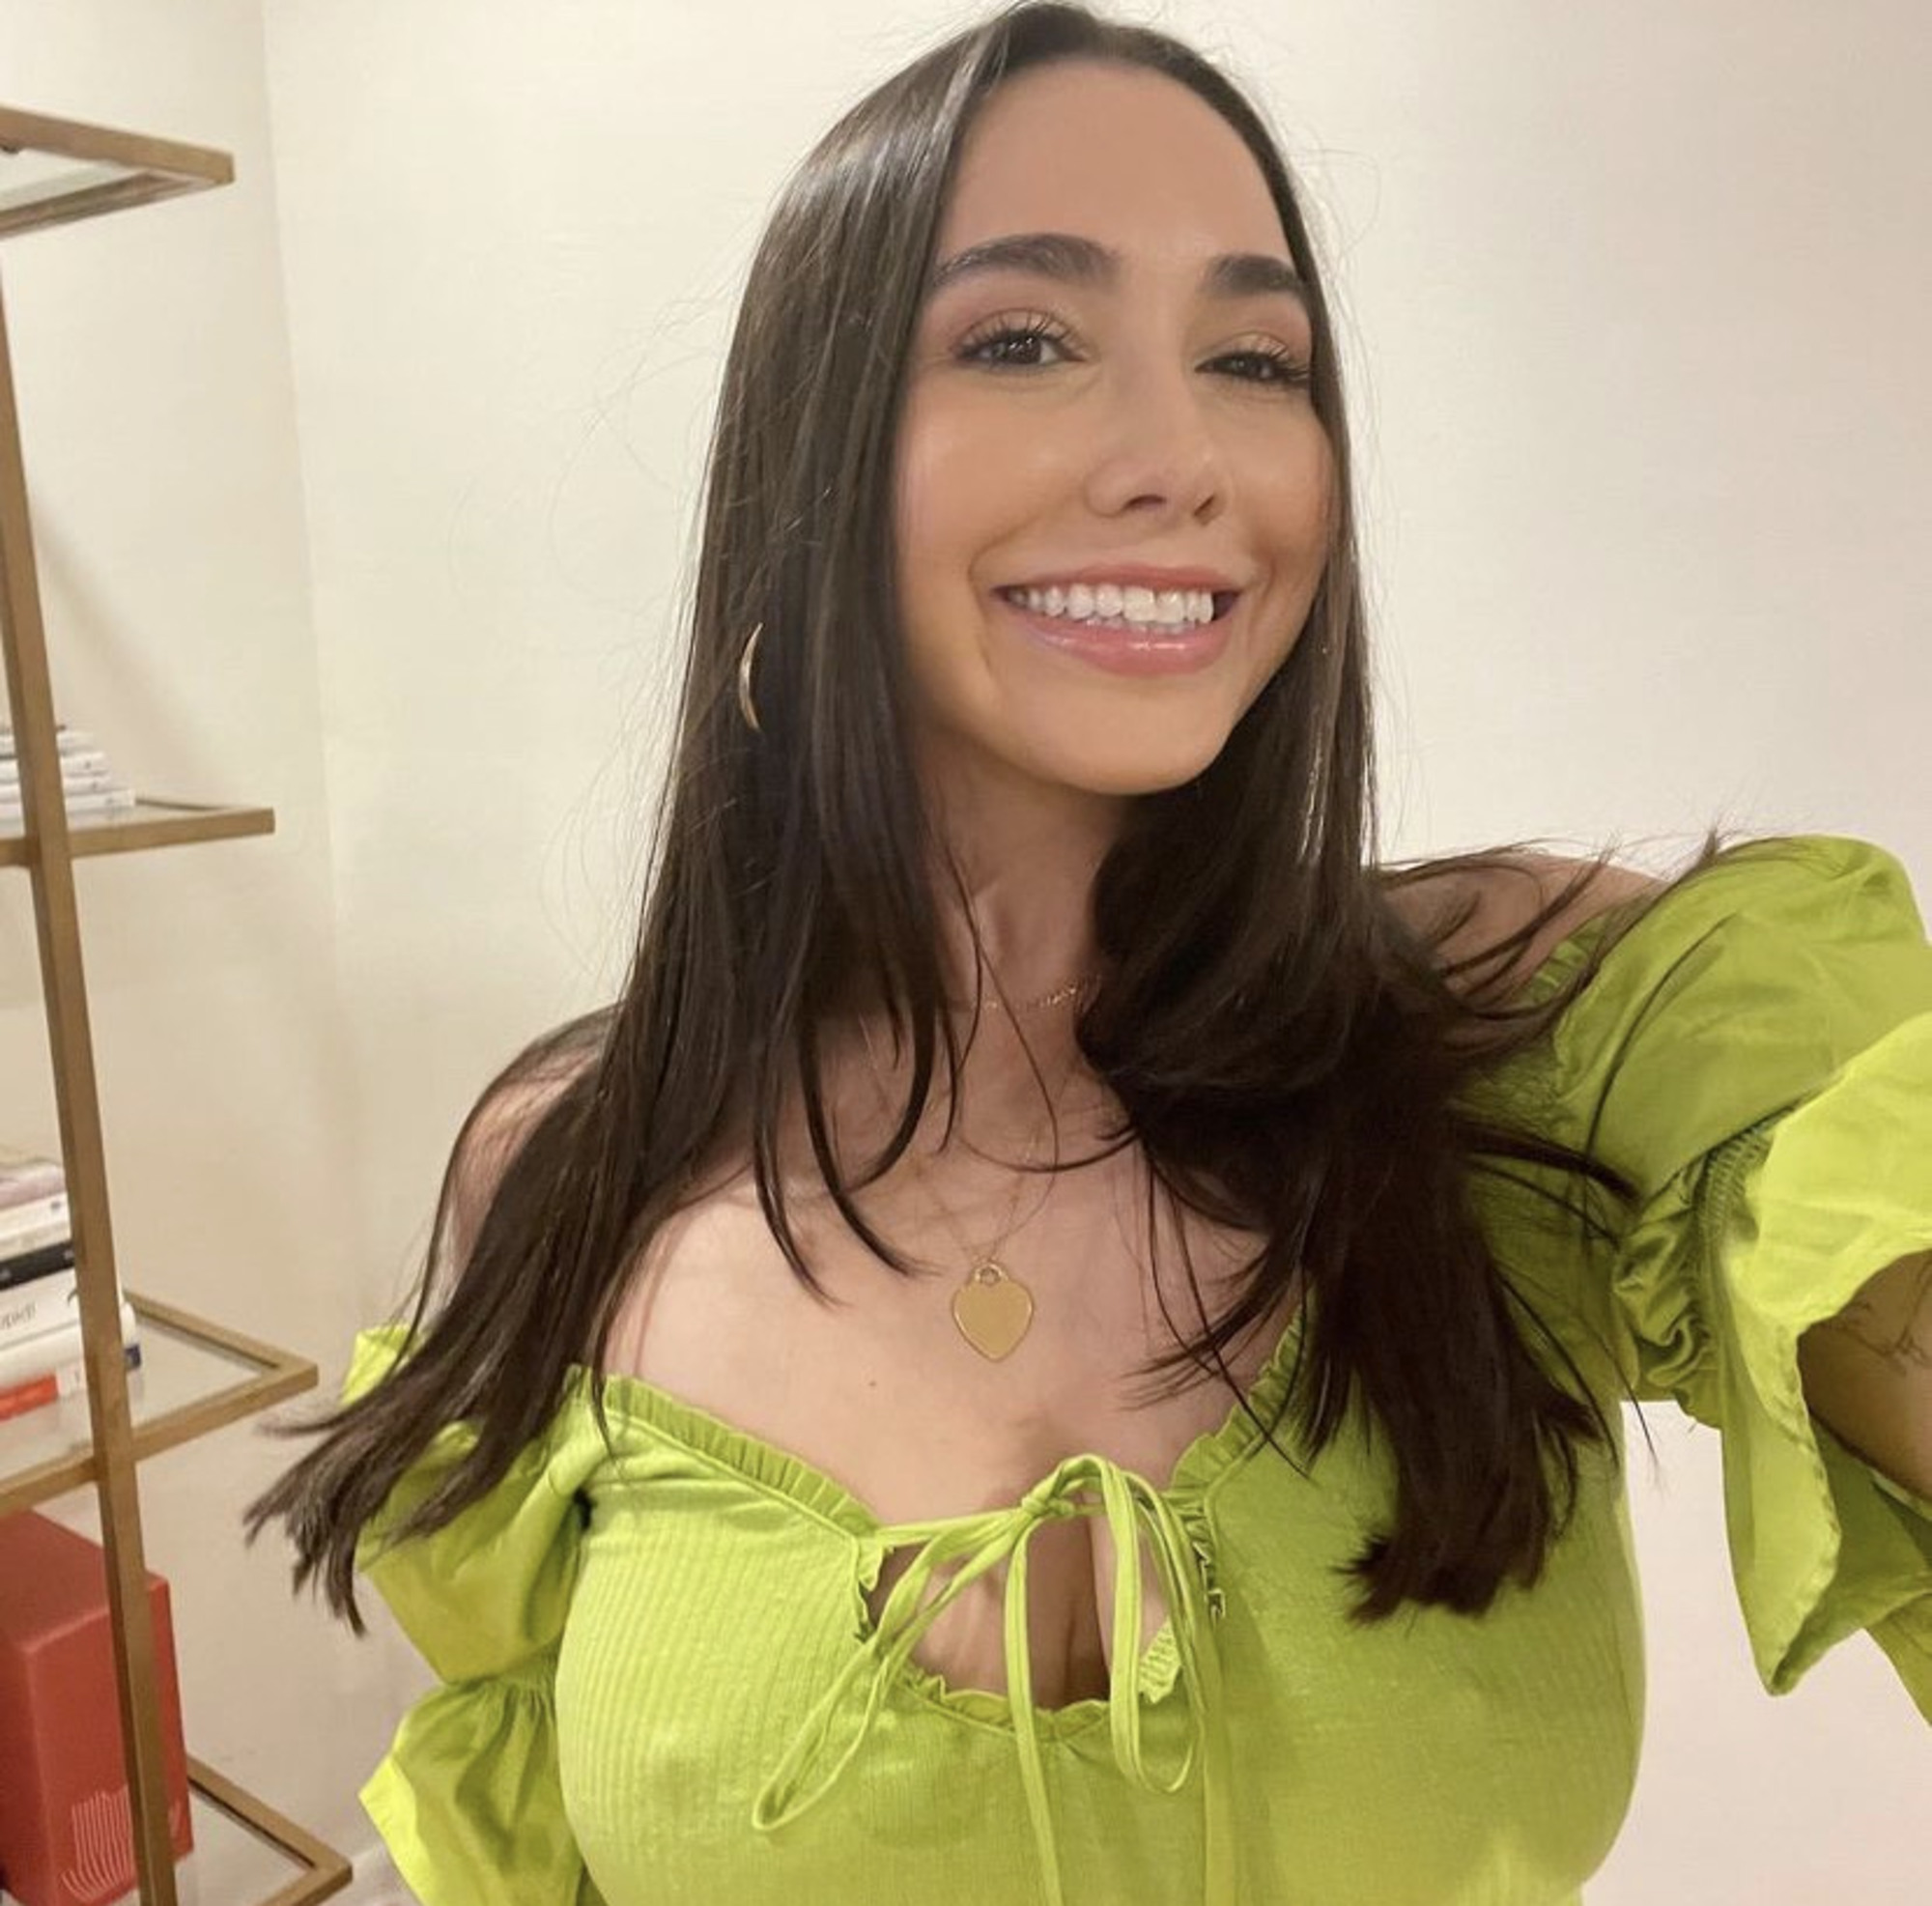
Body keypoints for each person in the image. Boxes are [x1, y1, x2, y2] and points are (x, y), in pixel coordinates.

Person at [247, 5, 1932, 1902]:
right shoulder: (571, 1168)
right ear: (813, 459)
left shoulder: (1538, 1030)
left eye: (1253, 360)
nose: (1180, 455)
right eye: (1024, 340)